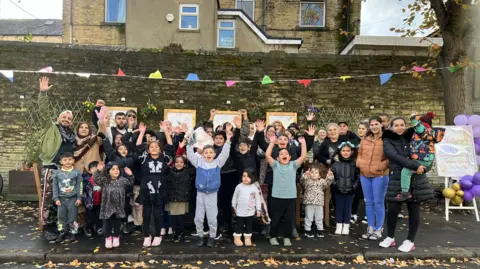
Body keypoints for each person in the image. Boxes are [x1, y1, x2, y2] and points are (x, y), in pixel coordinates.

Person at [380, 117, 435, 253]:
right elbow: (394, 157)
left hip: (416, 179)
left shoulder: (415, 137)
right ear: (391, 127)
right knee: (392, 209)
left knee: (414, 209)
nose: (399, 127)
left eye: (402, 125)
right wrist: (416, 165)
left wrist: (425, 168)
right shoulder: (388, 140)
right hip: (396, 179)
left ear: (406, 126)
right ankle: (390, 237)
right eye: (396, 125)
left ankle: (410, 240)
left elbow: (427, 153)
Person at [38, 77, 76, 241]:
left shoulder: (72, 136)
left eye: (69, 118)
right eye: (64, 117)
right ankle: (46, 226)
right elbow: (43, 112)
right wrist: (43, 93)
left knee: (59, 201)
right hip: (51, 168)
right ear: (59, 118)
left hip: (64, 171)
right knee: (47, 199)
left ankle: (59, 227)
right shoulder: (51, 127)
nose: (66, 119)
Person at [186, 130, 231, 248]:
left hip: (212, 194)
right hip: (200, 194)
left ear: (214, 154)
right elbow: (190, 154)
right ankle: (200, 236)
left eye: (211, 152)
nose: (208, 154)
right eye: (206, 152)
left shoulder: (217, 163)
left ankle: (212, 237)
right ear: (202, 154)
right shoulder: (198, 163)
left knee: (212, 217)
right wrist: (190, 142)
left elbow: (225, 154)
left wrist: (228, 142)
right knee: (199, 217)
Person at [136, 122, 175, 247]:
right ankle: (147, 236)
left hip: (160, 188)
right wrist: (142, 132)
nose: (154, 148)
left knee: (158, 214)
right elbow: (138, 146)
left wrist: (166, 132)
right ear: (148, 149)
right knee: (146, 214)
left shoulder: (164, 158)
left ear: (160, 149)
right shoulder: (144, 158)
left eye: (156, 147)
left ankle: (157, 235)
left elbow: (170, 146)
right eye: (151, 147)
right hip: (146, 188)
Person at [265, 134, 307, 247]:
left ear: (289, 157)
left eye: (286, 154)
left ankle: (287, 237)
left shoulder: (293, 165)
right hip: (277, 196)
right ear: (278, 158)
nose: (284, 155)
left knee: (289, 219)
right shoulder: (275, 165)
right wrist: (272, 143)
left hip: (290, 197)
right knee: (276, 218)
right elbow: (267, 155)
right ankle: (273, 236)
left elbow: (303, 157)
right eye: (281, 154)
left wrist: (303, 144)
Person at [396, 112, 445, 201]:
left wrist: (413, 119)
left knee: (406, 171)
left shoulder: (424, 131)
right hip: (425, 158)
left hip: (422, 158)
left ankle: (405, 192)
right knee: (410, 170)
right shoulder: (430, 132)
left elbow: (419, 128)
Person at [357, 116, 389, 241]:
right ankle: (370, 227)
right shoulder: (365, 139)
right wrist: (359, 163)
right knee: (368, 202)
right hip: (365, 174)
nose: (374, 127)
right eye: (372, 125)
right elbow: (359, 153)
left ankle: (378, 229)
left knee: (378, 202)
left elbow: (390, 156)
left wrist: (381, 166)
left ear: (381, 125)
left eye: (376, 124)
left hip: (380, 175)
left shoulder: (387, 139)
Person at [93, 162, 134, 249]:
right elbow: (96, 178)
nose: (116, 171)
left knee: (117, 223)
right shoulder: (105, 180)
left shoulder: (122, 180)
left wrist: (130, 175)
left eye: (117, 169)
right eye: (113, 169)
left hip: (118, 206)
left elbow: (130, 182)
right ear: (108, 171)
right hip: (108, 206)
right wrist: (98, 170)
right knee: (107, 224)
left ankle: (116, 237)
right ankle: (108, 238)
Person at [52, 152, 83, 243]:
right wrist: (56, 198)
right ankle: (62, 232)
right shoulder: (57, 173)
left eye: (70, 159)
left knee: (73, 217)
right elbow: (55, 186)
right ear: (61, 162)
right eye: (65, 160)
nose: (68, 162)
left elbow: (79, 185)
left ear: (73, 161)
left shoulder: (76, 173)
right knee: (61, 217)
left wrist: (79, 197)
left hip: (73, 199)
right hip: (61, 199)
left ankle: (72, 233)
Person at [331, 142, 359, 236]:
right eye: (343, 151)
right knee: (339, 207)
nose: (346, 153)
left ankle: (346, 225)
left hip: (350, 190)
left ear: (351, 152)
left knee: (348, 208)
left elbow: (358, 176)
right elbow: (332, 176)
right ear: (340, 152)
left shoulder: (354, 163)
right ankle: (339, 225)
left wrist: (354, 186)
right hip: (338, 189)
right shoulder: (336, 163)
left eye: (348, 151)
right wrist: (336, 185)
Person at [300, 162, 332, 238]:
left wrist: (329, 177)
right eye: (312, 172)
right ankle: (307, 230)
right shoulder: (307, 181)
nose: (314, 174)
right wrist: (305, 175)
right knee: (309, 217)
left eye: (316, 173)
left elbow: (327, 183)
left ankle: (320, 230)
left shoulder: (321, 181)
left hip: (319, 202)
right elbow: (302, 181)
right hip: (309, 202)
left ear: (319, 175)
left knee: (319, 217)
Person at [166, 154, 193, 242]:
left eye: (181, 162)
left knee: (181, 216)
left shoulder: (188, 172)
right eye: (177, 162)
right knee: (173, 216)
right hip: (172, 197)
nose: (179, 164)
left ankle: (181, 232)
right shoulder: (169, 171)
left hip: (182, 197)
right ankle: (175, 232)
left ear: (184, 164)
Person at [231, 168, 261, 247]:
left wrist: (258, 209)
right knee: (239, 225)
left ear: (252, 177)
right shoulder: (239, 187)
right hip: (240, 210)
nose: (245, 178)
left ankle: (247, 238)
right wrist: (234, 205)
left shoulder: (254, 188)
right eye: (244, 176)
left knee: (249, 225)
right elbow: (235, 197)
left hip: (250, 211)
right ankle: (237, 237)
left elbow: (258, 199)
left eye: (248, 176)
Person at [351, 121, 369, 224]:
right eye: (359, 128)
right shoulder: (354, 142)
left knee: (367, 195)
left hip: (366, 170)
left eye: (363, 128)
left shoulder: (370, 142)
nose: (361, 130)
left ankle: (367, 215)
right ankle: (353, 213)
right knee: (355, 193)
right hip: (355, 170)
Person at [82, 161, 102, 238]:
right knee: (89, 217)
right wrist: (85, 200)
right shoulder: (87, 180)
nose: (95, 170)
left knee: (99, 216)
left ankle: (99, 228)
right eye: (93, 168)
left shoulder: (102, 179)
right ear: (89, 171)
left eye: (96, 168)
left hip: (100, 202)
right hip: (90, 203)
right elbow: (83, 191)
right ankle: (88, 228)